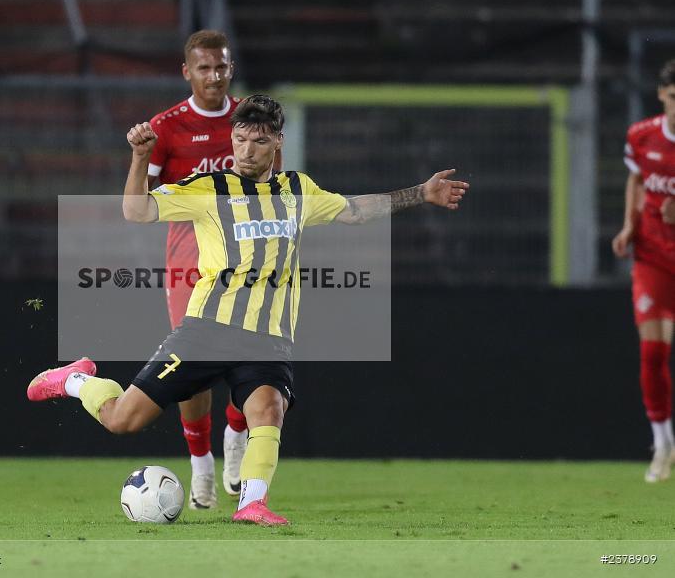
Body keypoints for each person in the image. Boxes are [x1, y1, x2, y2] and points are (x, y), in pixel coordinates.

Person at [27, 95, 468, 524]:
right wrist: (141, 158)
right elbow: (136, 210)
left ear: (277, 141)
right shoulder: (209, 188)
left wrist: (421, 192)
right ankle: (75, 380)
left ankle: (252, 503)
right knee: (123, 420)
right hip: (206, 331)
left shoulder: (298, 190)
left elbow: (355, 210)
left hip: (267, 338)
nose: (246, 150)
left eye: (258, 141)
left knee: (268, 409)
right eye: (239, 139)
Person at [145, 29, 256, 510]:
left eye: (221, 67)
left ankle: (236, 435)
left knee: (253, 357)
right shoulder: (166, 128)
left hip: (248, 257)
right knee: (192, 365)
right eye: (204, 68)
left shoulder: (252, 119)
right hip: (189, 260)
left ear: (231, 69)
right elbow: (144, 200)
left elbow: (274, 185)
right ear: (186, 71)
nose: (213, 76)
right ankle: (201, 465)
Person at [612, 59, 675, 483]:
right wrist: (629, 226)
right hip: (653, 256)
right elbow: (636, 181)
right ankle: (663, 443)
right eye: (674, 97)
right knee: (653, 353)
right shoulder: (642, 135)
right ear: (662, 95)